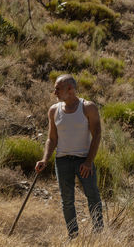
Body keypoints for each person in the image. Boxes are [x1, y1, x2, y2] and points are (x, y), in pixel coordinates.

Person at [35, 74, 103, 238]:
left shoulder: (88, 107)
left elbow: (97, 135)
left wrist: (88, 162)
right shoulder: (54, 110)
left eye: (58, 88)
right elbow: (52, 138)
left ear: (70, 89)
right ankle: (73, 236)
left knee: (93, 196)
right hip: (62, 161)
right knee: (67, 201)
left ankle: (99, 234)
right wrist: (45, 159)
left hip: (83, 161)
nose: (54, 92)